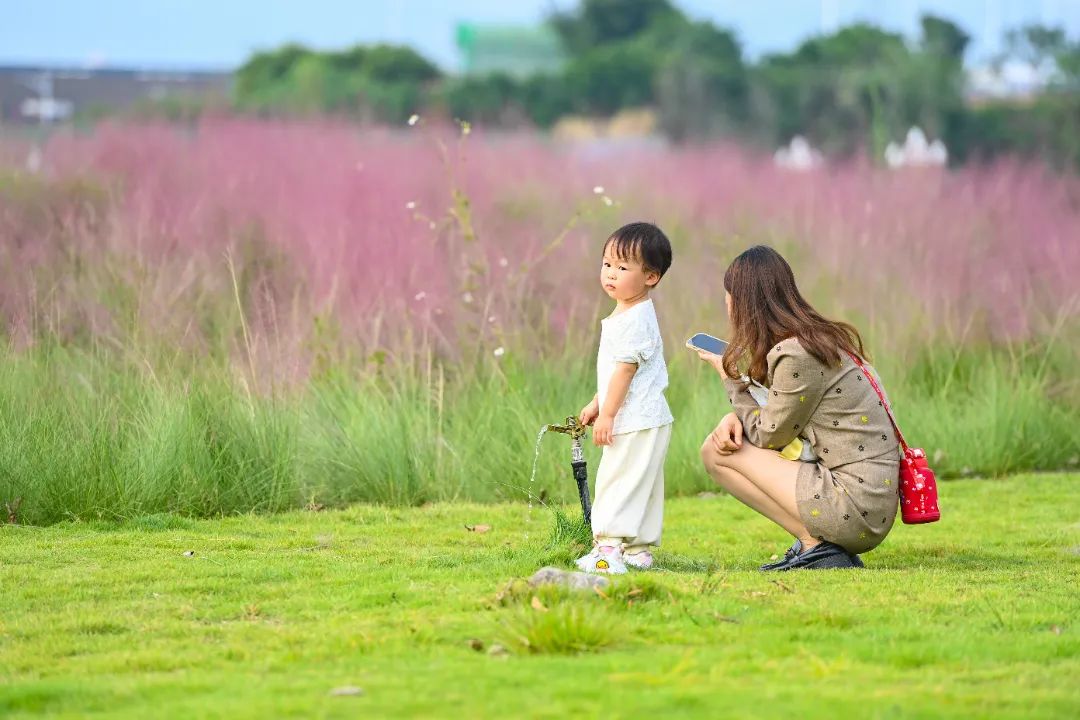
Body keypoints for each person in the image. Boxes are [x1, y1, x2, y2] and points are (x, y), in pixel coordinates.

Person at [698, 245, 900, 571]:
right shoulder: (820, 340)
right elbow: (782, 414)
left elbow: (769, 436)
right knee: (721, 443)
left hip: (855, 507)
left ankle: (814, 545)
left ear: (741, 302)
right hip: (868, 500)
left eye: (728, 295)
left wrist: (729, 378)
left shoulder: (796, 353)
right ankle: (817, 545)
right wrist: (732, 416)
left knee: (716, 452)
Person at [576, 222, 674, 574]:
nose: (611, 275)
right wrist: (596, 402)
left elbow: (625, 372)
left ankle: (608, 549)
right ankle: (638, 550)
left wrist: (608, 415)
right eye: (607, 264)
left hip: (633, 419)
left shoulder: (634, 319)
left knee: (618, 479)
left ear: (651, 277)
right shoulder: (630, 311)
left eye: (622, 268)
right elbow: (616, 373)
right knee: (641, 481)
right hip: (647, 417)